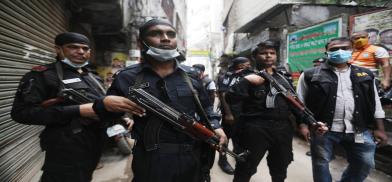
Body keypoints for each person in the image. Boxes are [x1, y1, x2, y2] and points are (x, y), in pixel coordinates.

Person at [92, 19, 227, 182]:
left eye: (171, 34)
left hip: (191, 155)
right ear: (142, 42)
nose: (165, 38)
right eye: (156, 34)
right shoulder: (128, 76)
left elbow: (206, 107)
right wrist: (105, 104)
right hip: (151, 159)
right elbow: (108, 116)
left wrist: (216, 126)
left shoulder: (191, 76)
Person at [11, 32, 106, 182]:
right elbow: (21, 113)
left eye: (85, 48)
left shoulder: (92, 75)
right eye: (73, 47)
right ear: (58, 49)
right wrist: (78, 110)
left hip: (94, 142)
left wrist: (121, 118)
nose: (80, 52)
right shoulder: (42, 75)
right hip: (64, 146)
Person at [228, 40, 327, 182]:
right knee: (246, 167)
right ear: (255, 57)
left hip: (282, 127)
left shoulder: (283, 77)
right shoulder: (244, 75)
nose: (268, 56)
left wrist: (306, 123)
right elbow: (231, 99)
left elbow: (295, 103)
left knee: (280, 166)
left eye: (272, 53)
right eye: (263, 53)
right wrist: (246, 82)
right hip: (255, 128)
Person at [297, 37, 388, 182]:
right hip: (323, 130)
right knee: (321, 164)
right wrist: (303, 125)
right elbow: (300, 103)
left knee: (365, 163)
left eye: (344, 48)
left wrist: (380, 128)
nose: (339, 52)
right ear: (327, 52)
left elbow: (375, 103)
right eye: (333, 49)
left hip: (359, 129)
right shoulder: (310, 74)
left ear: (351, 50)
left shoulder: (365, 74)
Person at [216, 57, 253, 175]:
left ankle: (238, 155)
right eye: (247, 64)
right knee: (225, 138)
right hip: (231, 113)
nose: (249, 66)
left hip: (244, 114)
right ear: (240, 65)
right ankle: (222, 160)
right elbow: (222, 95)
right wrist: (228, 114)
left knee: (241, 138)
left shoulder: (247, 75)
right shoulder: (227, 76)